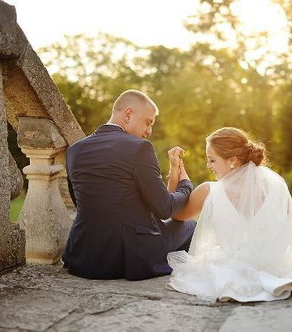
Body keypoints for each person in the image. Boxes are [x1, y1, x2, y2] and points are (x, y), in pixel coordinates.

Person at [167, 127, 292, 302]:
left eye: (212, 160)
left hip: (230, 266)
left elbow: (175, 213)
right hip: (274, 267)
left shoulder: (209, 191)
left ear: (232, 160)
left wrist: (177, 171)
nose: (208, 165)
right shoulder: (274, 184)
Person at [62, 89, 196, 280]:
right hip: (130, 257)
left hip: (84, 257)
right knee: (191, 226)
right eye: (148, 122)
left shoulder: (75, 150)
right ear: (128, 114)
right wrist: (185, 184)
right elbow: (165, 208)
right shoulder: (139, 147)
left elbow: (81, 202)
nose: (149, 131)